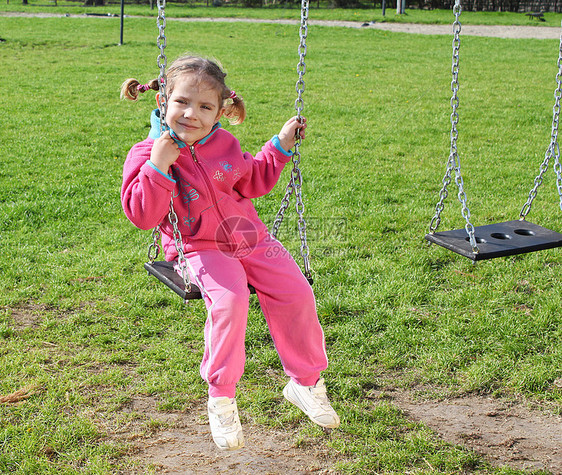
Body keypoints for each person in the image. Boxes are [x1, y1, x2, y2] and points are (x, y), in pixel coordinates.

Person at [120, 54, 339, 451]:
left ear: (220, 111)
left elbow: (250, 180)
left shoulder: (224, 143)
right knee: (231, 301)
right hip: (198, 246)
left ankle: (306, 384)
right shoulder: (148, 151)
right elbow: (141, 214)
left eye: (204, 107)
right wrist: (157, 166)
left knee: (296, 292)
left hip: (248, 235)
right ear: (162, 102)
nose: (191, 114)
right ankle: (221, 398)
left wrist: (280, 146)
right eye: (181, 102)